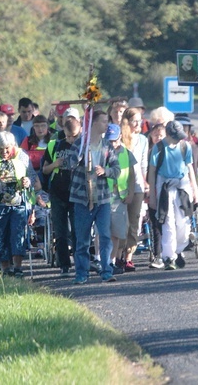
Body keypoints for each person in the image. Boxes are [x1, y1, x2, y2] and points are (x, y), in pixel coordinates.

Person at [0, 131, 43, 277]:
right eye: (1, 149)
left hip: (18, 204)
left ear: (13, 146)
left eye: (7, 149)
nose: (4, 152)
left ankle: (18, 267)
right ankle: (5, 267)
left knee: (19, 234)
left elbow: (31, 175)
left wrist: (28, 182)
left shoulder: (22, 156)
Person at [68, 109, 121, 284]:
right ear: (94, 123)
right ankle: (81, 273)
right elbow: (69, 164)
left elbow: (117, 170)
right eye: (104, 121)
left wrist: (105, 171)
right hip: (82, 198)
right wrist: (82, 153)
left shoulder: (107, 145)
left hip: (103, 198)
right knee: (82, 239)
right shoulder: (80, 143)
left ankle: (106, 270)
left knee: (105, 235)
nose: (107, 125)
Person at [148, 120, 198, 270]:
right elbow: (151, 172)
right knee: (168, 221)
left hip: (182, 184)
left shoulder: (185, 146)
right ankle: (168, 257)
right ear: (169, 134)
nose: (179, 139)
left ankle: (178, 250)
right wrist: (152, 195)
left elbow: (190, 168)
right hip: (164, 186)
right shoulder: (158, 148)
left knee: (183, 222)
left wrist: (194, 189)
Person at [42, 108, 82, 276]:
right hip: (58, 192)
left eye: (75, 136)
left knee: (78, 231)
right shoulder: (55, 145)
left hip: (78, 192)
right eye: (69, 136)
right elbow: (44, 170)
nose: (72, 140)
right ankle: (64, 265)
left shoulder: (84, 145)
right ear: (63, 131)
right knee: (60, 232)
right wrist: (55, 164)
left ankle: (81, 264)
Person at [143, 107, 174, 268]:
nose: (158, 137)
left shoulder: (173, 148)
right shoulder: (148, 151)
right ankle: (157, 255)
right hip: (152, 190)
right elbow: (145, 171)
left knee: (168, 222)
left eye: (161, 134)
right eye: (155, 133)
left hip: (168, 190)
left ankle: (170, 253)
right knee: (155, 223)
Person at [120, 106, 149, 272]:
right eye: (134, 121)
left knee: (134, 221)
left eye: (140, 120)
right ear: (127, 121)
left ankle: (129, 256)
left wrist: (145, 183)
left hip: (137, 184)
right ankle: (117, 255)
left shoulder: (143, 140)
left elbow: (143, 164)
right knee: (119, 222)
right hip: (121, 184)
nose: (138, 124)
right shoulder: (121, 138)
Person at [106, 123, 136, 275]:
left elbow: (132, 175)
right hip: (104, 196)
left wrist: (131, 192)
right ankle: (104, 260)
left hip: (120, 197)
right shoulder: (101, 152)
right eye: (110, 140)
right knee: (104, 232)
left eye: (115, 140)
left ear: (120, 138)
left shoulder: (126, 153)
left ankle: (115, 260)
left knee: (118, 232)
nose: (113, 144)